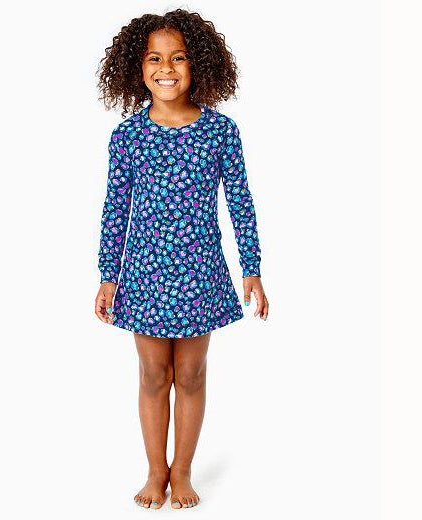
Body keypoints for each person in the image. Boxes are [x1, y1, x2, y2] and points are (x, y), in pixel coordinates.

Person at [94, 8, 269, 510]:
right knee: (154, 375)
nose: (166, 68)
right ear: (137, 67)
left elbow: (240, 201)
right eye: (154, 58)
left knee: (190, 375)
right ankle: (155, 471)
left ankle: (183, 471)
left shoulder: (219, 131)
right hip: (144, 274)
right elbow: (116, 206)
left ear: (199, 65)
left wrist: (252, 269)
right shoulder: (128, 135)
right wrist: (108, 275)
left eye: (178, 58)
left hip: (200, 273)